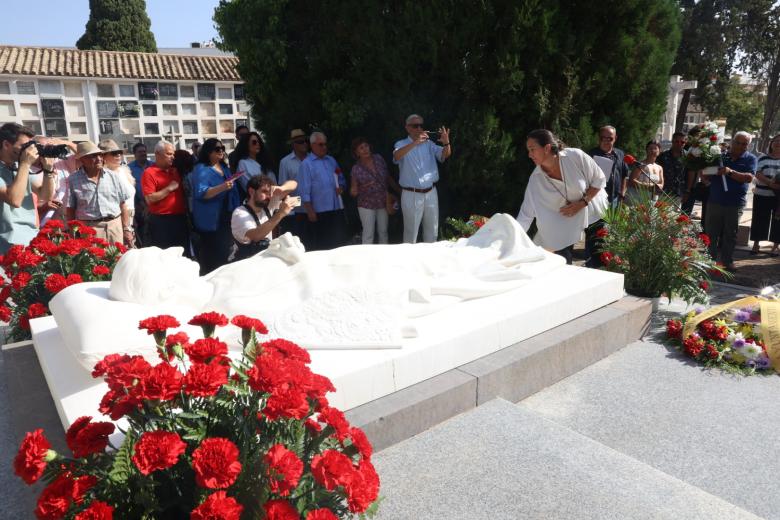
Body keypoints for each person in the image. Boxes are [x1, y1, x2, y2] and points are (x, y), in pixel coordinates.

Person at [516, 129, 608, 265]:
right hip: (564, 224)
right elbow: (526, 214)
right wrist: (512, 237)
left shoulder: (575, 156)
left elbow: (599, 179)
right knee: (561, 263)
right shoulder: (536, 179)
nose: (529, 155)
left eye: (532, 149)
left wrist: (583, 202)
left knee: (599, 259)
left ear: (547, 148)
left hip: (593, 212)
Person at [393, 114, 451, 243]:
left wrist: (447, 142)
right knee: (411, 233)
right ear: (407, 128)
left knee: (432, 231)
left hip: (430, 192)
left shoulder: (429, 144)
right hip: (411, 194)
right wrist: (416, 142)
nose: (419, 128)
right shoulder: (401, 143)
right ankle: (409, 262)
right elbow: (396, 156)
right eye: (415, 126)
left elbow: (444, 155)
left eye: (421, 125)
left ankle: (430, 261)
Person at [705, 131, 757, 271]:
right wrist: (711, 171)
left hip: (734, 203)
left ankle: (727, 261)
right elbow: (705, 173)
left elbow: (748, 178)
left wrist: (729, 172)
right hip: (715, 201)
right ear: (732, 142)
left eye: (744, 144)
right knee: (711, 233)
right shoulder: (720, 157)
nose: (740, 146)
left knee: (730, 234)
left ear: (748, 146)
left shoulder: (750, 159)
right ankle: (709, 261)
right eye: (738, 142)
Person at [0, 123, 56, 253]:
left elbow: (44, 195)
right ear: (6, 145)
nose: (29, 151)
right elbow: (15, 200)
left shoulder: (18, 167)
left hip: (30, 238)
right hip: (6, 243)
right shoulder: (22, 166)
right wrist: (25, 164)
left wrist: (48, 171)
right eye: (24, 146)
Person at [65, 141, 133, 245]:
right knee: (95, 260)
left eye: (100, 155)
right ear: (82, 159)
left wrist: (127, 229)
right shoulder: (73, 180)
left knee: (117, 259)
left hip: (114, 226)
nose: (99, 159)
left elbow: (123, 205)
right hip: (89, 229)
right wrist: (72, 234)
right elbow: (70, 210)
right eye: (93, 156)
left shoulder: (113, 176)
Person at [191, 138, 240, 274]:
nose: (221, 151)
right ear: (208, 152)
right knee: (213, 255)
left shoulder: (223, 167)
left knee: (226, 251)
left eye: (223, 148)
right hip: (211, 219)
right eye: (217, 149)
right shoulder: (201, 168)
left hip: (226, 214)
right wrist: (223, 187)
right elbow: (201, 193)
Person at [298, 131, 347, 250]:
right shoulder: (306, 164)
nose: (324, 147)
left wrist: (341, 187)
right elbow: (304, 190)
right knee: (322, 245)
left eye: (325, 144)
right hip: (319, 211)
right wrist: (310, 210)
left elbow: (341, 178)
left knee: (338, 243)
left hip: (335, 208)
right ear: (312, 145)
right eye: (321, 144)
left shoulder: (331, 160)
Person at [231, 175, 297, 261]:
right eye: (264, 191)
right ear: (251, 192)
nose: (268, 196)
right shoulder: (239, 213)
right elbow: (255, 236)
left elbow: (294, 183)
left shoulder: (267, 204)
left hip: (264, 259)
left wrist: (282, 188)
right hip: (244, 262)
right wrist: (281, 213)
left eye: (269, 192)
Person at [142, 140, 189, 252]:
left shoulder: (175, 171)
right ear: (157, 154)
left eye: (173, 154)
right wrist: (168, 189)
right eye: (169, 154)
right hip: (162, 222)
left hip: (180, 219)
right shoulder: (149, 173)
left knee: (182, 254)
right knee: (164, 256)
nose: (172, 157)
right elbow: (149, 198)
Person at [350, 137, 394, 244]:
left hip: (383, 202)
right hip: (366, 204)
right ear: (356, 153)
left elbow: (387, 177)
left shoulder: (378, 158)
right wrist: (360, 188)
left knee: (383, 232)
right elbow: (353, 191)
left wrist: (398, 190)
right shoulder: (356, 168)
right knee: (368, 234)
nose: (365, 149)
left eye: (366, 146)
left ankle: (383, 258)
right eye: (361, 148)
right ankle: (367, 259)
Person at [99, 139, 136, 245]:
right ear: (103, 156)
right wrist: (126, 227)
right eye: (114, 153)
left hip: (131, 218)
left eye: (120, 153)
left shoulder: (123, 171)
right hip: (117, 220)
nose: (119, 155)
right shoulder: (103, 175)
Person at [749, 133, 780, 256]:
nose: (778, 143)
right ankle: (756, 244)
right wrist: (769, 183)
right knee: (759, 219)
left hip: (779, 197)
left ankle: (775, 246)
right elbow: (757, 172)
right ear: (771, 144)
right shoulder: (762, 158)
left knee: (778, 221)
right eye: (775, 141)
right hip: (762, 194)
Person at [278, 128, 310, 237]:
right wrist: (299, 204)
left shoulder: (312, 159)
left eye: (306, 141)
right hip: (297, 213)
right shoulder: (285, 162)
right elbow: (283, 190)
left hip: (316, 208)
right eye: (301, 142)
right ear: (293, 144)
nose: (305, 144)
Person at [587, 125, 628, 205]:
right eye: (603, 138)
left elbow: (624, 175)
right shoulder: (591, 154)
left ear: (615, 138)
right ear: (599, 138)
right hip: (596, 199)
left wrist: (622, 193)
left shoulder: (620, 154)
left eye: (610, 138)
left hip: (615, 199)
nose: (606, 141)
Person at [681, 126, 709, 230]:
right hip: (689, 185)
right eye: (698, 136)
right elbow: (691, 170)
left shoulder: (704, 149)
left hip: (700, 184)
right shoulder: (688, 149)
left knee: (704, 214)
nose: (700, 138)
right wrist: (688, 189)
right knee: (685, 212)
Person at [128, 142, 151, 245]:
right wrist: (142, 205)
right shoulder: (129, 169)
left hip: (154, 204)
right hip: (138, 206)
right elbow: (130, 189)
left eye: (144, 151)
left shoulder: (153, 165)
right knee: (142, 234)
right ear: (134, 154)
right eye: (140, 152)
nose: (143, 153)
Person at [657, 131, 687, 199]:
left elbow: (690, 174)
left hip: (679, 193)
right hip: (664, 192)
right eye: (677, 141)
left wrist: (687, 191)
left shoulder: (688, 157)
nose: (679, 144)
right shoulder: (662, 155)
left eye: (682, 142)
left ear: (685, 143)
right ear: (672, 141)